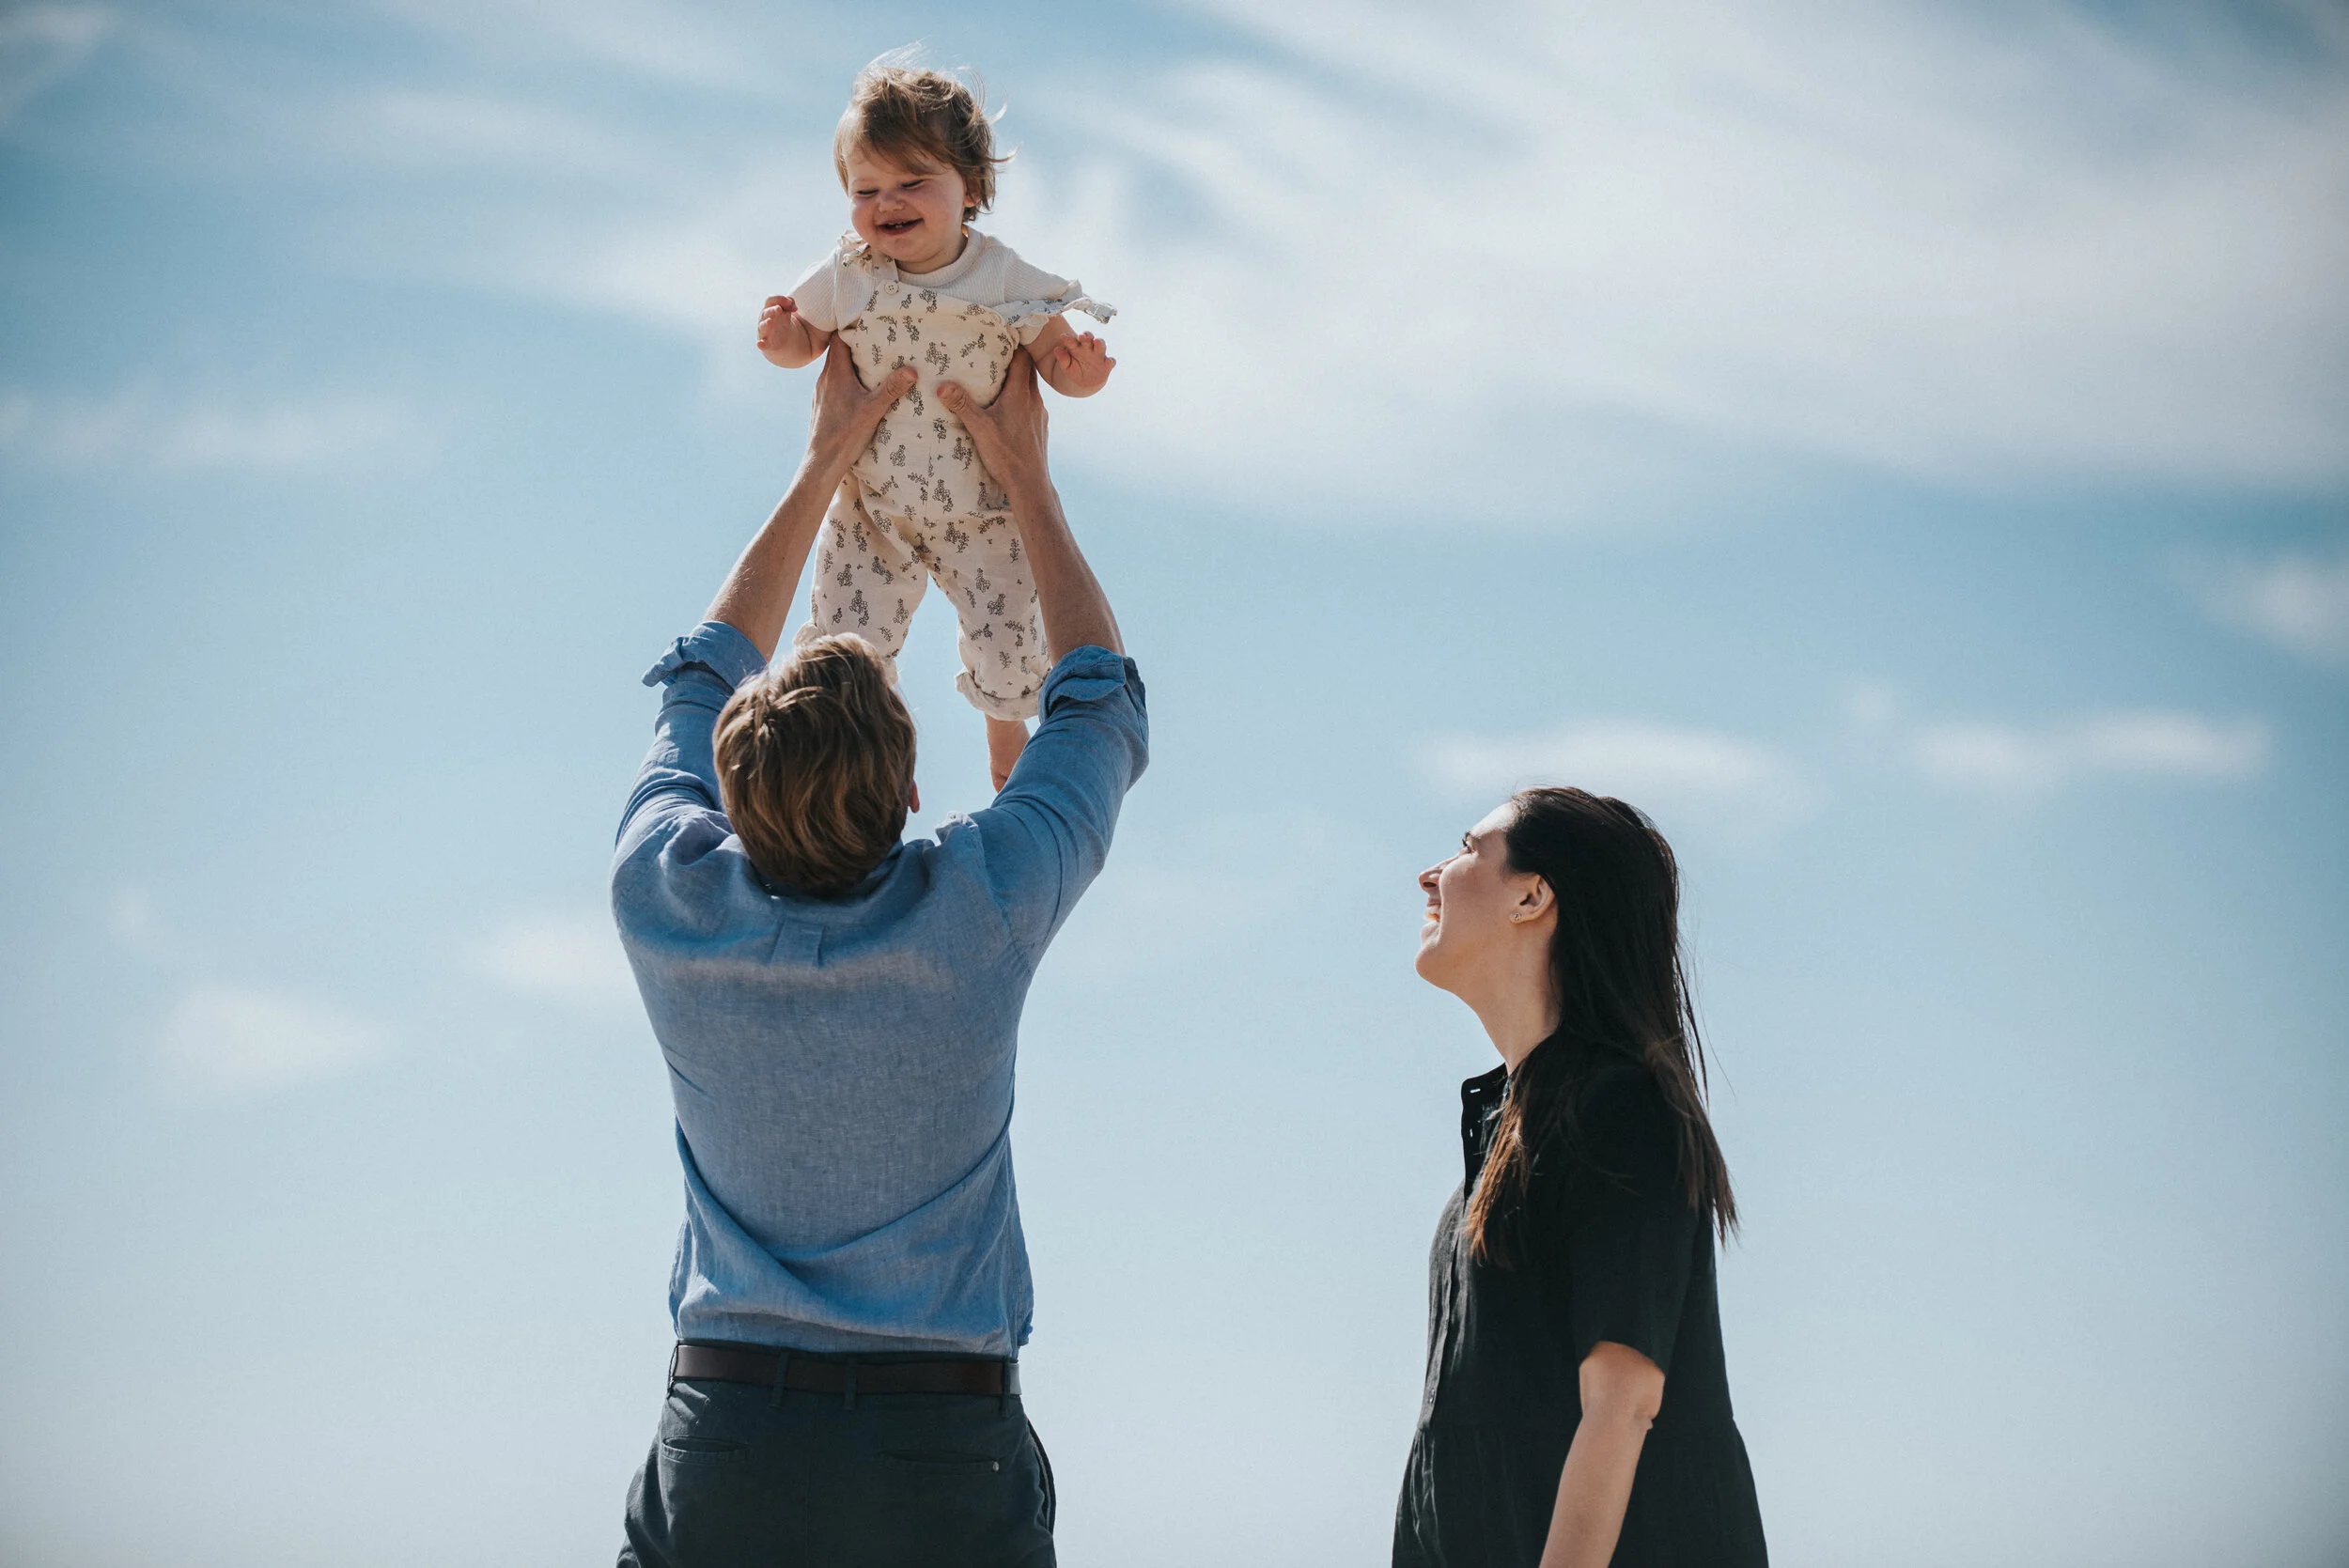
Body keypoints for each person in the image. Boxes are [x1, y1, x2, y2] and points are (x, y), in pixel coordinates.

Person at [608, 338, 1144, 1568]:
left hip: (730, 1434)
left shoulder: (665, 898)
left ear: (731, 794)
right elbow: (1099, 706)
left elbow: (697, 678)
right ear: (911, 786)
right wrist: (1025, 478)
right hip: (936, 1445)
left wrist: (824, 460)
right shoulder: (980, 905)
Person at [1393, 788, 1767, 1568]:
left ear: (1534, 895)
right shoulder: (1491, 1154)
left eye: (1465, 848)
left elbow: (1622, 1405)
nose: (1429, 874)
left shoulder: (1622, 1112)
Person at [755, 55, 1118, 791]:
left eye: (913, 181)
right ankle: (868, 753)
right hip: (874, 506)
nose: (887, 202)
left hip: (983, 508)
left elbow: (1049, 356)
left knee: (1011, 627)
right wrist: (782, 340)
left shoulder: (1001, 276)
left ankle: (1003, 728)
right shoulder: (848, 274)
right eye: (866, 189)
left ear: (972, 188)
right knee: (844, 636)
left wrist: (1078, 374)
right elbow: (806, 342)